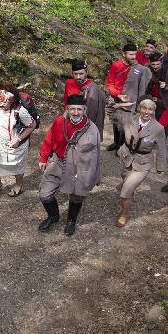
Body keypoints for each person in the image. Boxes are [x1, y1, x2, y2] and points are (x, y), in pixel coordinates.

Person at [37, 94, 102, 236]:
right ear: (67, 108)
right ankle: (53, 216)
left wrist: (95, 176)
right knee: (45, 194)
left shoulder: (92, 129)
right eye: (72, 109)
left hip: (79, 168)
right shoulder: (60, 121)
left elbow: (96, 156)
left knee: (77, 196)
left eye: (79, 109)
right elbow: (49, 139)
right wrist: (44, 157)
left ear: (84, 109)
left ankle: (71, 220)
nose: (76, 112)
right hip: (58, 162)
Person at [114, 99, 166, 227]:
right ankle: (127, 191)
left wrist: (160, 167)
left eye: (150, 109)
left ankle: (124, 214)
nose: (146, 112)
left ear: (154, 111)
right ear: (139, 108)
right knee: (127, 185)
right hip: (126, 157)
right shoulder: (129, 119)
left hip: (143, 163)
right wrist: (121, 105)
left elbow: (162, 149)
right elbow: (113, 116)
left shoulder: (158, 128)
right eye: (144, 108)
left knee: (126, 190)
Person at [0, 84, 35, 197]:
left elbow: (32, 125)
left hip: (17, 144)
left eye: (4, 102)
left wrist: (19, 138)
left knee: (16, 166)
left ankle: (18, 184)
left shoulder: (20, 111)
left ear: (12, 100)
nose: (0, 104)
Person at [105, 44, 140, 151]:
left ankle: (122, 145)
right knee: (116, 121)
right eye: (131, 54)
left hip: (130, 98)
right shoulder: (116, 66)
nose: (133, 57)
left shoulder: (137, 67)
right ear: (124, 54)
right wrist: (118, 94)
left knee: (127, 122)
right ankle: (116, 143)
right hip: (117, 97)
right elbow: (109, 84)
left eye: (135, 54)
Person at [63, 59, 107, 138]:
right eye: (75, 74)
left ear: (86, 72)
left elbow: (92, 112)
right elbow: (66, 100)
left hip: (85, 121)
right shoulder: (69, 83)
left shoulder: (93, 88)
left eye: (81, 74)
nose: (78, 77)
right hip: (71, 116)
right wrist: (66, 111)